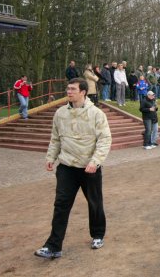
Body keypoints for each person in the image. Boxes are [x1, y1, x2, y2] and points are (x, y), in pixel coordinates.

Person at [34, 78, 112, 259]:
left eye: (72, 89)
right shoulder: (60, 113)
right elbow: (55, 138)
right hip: (67, 167)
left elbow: (105, 139)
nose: (68, 92)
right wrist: (50, 157)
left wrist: (95, 161)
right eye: (68, 89)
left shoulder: (96, 114)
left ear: (83, 92)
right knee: (61, 205)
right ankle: (54, 246)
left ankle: (98, 235)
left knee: (94, 203)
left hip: (89, 168)